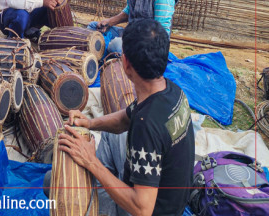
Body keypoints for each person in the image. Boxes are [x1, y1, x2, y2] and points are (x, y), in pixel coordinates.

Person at [57, 18, 195, 216]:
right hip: (171, 198)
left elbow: (142, 208)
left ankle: (102, 202)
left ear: (126, 63)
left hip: (149, 209)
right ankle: (103, 185)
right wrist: (89, 123)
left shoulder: (146, 126)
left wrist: (91, 162)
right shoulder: (170, 90)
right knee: (113, 135)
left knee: (51, 185)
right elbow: (125, 118)